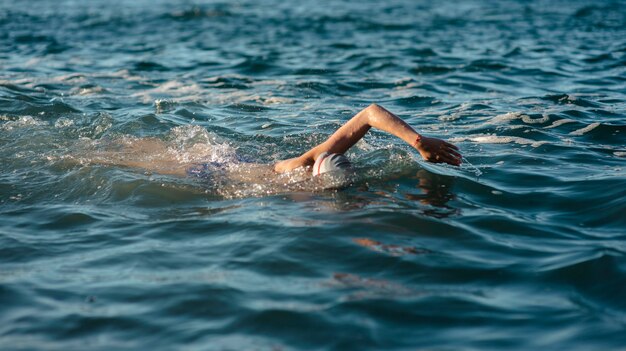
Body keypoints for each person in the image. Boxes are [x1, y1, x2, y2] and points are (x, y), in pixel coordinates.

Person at [82, 104, 461, 182]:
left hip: (244, 165)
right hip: (221, 169)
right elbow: (369, 112)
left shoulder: (316, 181)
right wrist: (417, 140)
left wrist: (418, 142)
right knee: (137, 160)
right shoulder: (306, 166)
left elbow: (369, 114)